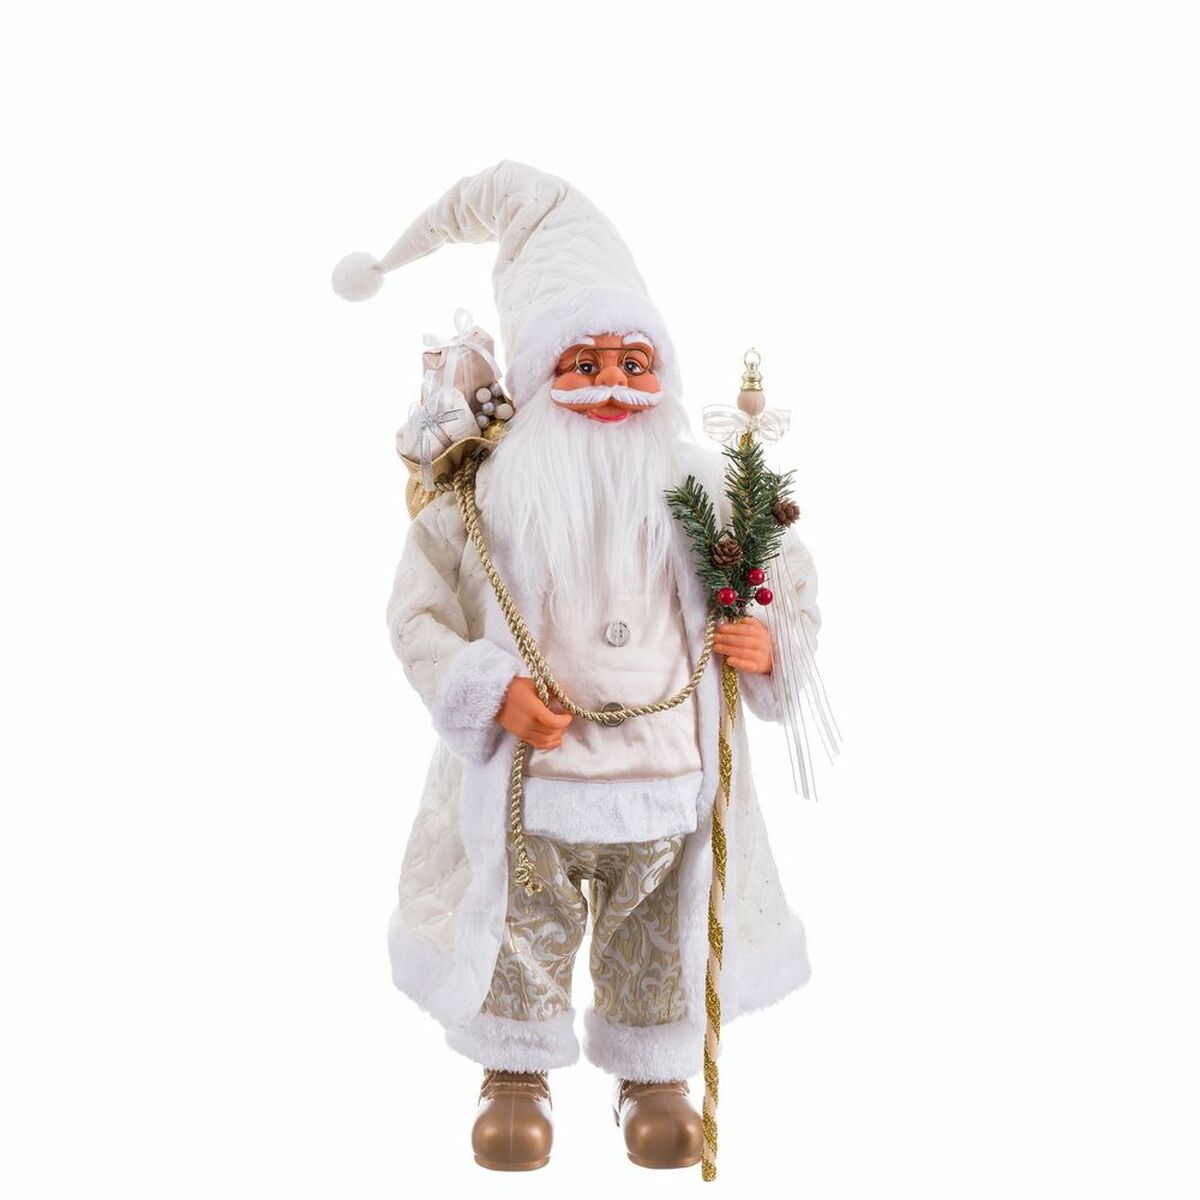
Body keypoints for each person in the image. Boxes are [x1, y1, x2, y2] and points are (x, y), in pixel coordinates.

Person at [333, 161, 821, 1171]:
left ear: (663, 375)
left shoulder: (701, 488)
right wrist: (486, 691)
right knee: (522, 924)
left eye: (634, 363)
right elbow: (416, 611)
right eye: (584, 360)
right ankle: (514, 1071)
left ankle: (656, 1074)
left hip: (668, 786)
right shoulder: (485, 497)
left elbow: (781, 576)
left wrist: (770, 644)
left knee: (659, 933)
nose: (610, 383)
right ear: (538, 373)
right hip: (534, 791)